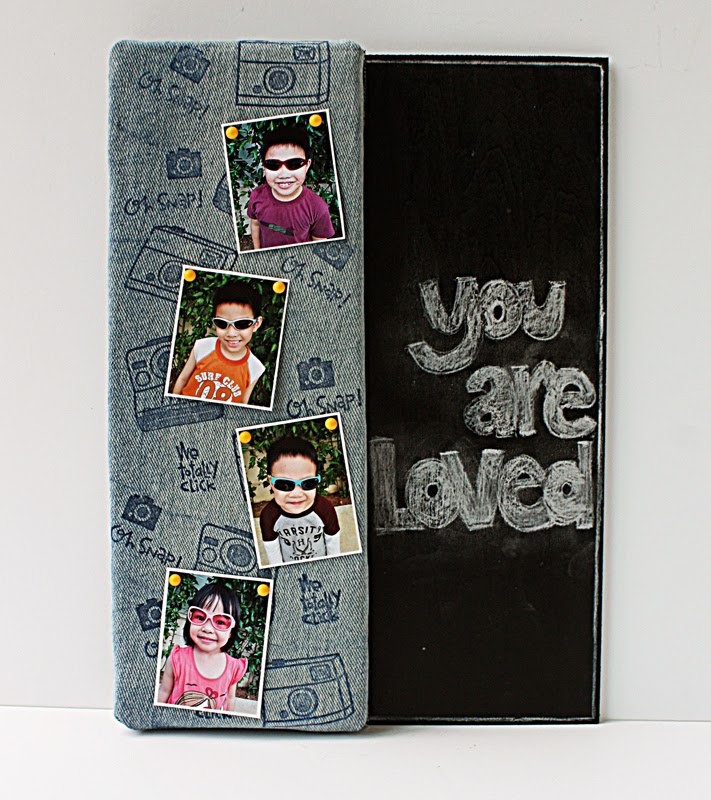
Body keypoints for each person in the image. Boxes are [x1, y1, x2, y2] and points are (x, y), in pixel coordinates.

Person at [156, 580, 247, 712]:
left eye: (220, 622)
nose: (207, 629)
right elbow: (163, 692)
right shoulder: (177, 658)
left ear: (231, 632)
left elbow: (230, 700)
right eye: (200, 617)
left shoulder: (233, 668)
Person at [173, 281, 265, 404]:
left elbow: (243, 402)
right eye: (222, 323)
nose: (231, 333)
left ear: (256, 324)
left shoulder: (255, 367)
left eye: (242, 324)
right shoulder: (203, 347)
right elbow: (183, 379)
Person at [247, 124, 335, 250]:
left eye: (294, 164)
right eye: (273, 164)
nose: (284, 174)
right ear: (264, 166)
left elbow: (319, 245)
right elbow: (255, 224)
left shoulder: (317, 207)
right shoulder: (257, 196)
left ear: (307, 165)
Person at [259, 435, 341, 564]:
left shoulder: (325, 509)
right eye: (284, 484)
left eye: (308, 483)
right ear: (271, 482)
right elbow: (274, 557)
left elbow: (334, 550)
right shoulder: (268, 516)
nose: (296, 493)